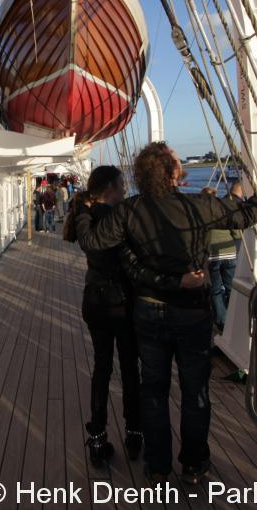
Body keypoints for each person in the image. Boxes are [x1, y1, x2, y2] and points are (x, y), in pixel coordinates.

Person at [73, 142, 257, 484]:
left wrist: (84, 208)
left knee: (154, 389)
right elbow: (248, 214)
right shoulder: (198, 206)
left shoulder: (128, 210)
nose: (181, 164)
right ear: (171, 173)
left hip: (148, 311)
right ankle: (194, 464)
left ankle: (158, 467)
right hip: (192, 314)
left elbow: (93, 242)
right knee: (195, 390)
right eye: (177, 162)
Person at [62, 166, 205, 467]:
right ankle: (134, 432)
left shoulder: (86, 216)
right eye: (121, 185)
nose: (125, 190)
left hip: (94, 301)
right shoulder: (120, 218)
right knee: (129, 368)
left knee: (102, 367)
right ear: (110, 189)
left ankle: (97, 437)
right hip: (122, 303)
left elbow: (85, 240)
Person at [201, 182, 243, 338]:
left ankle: (222, 322)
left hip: (212, 256)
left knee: (216, 290)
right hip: (229, 252)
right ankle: (236, 318)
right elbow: (236, 232)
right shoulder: (222, 211)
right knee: (231, 287)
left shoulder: (200, 215)